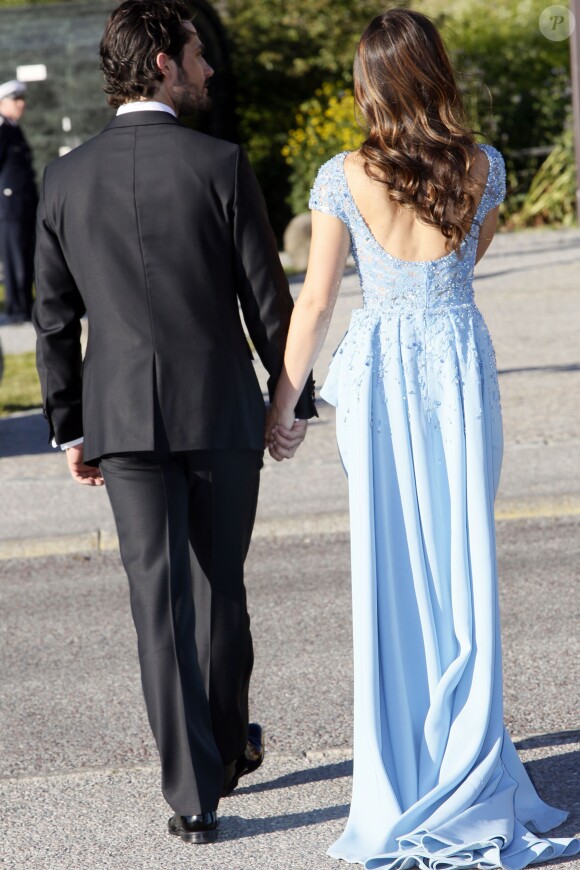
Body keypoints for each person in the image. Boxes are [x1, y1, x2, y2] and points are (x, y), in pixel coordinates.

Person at [267, 10, 580, 869]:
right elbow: (460, 265)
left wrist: (284, 405)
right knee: (461, 566)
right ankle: (469, 763)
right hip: (454, 372)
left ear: (372, 84)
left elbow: (319, 302)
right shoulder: (484, 168)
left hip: (379, 380)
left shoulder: (342, 176)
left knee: (391, 571)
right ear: (436, 73)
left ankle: (403, 776)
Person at [33, 0, 316, 845]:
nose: (208, 68)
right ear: (161, 60)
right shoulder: (220, 165)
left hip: (119, 419)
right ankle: (227, 749)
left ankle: (195, 799)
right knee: (217, 588)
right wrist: (288, 399)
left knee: (157, 604)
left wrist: (69, 427)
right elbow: (270, 301)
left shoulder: (65, 176)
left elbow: (53, 318)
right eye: (197, 52)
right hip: (220, 409)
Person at [0, 80, 37, 322]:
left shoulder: (13, 129)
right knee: (14, 260)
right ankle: (17, 309)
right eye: (16, 100)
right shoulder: (2, 130)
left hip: (23, 206)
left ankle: (26, 306)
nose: (21, 104)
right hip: (8, 208)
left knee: (26, 257)